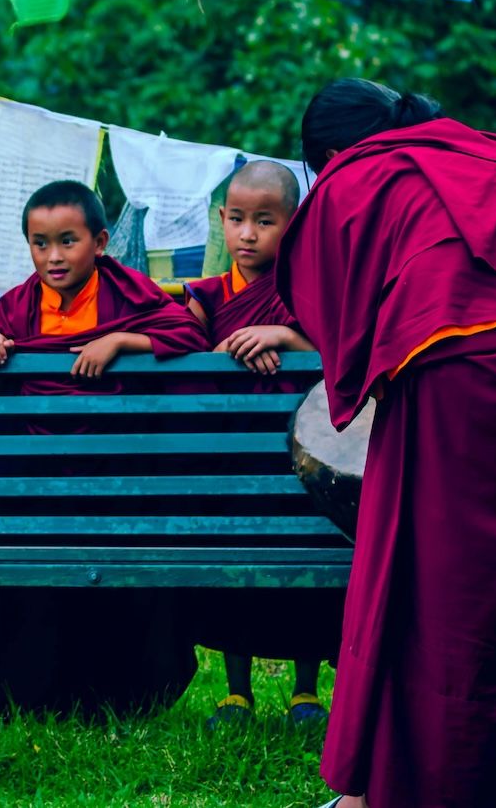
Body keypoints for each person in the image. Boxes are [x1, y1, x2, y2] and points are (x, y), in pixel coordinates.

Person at [275, 80, 496, 808]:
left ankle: (385, 788)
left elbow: (326, 295)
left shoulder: (358, 172)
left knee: (426, 574)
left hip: (449, 364)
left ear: (333, 153)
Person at [0, 180, 207, 719]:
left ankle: (121, 696)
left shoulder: (128, 292)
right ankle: (24, 695)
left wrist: (122, 341)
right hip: (35, 482)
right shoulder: (17, 303)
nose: (53, 257)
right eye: (40, 243)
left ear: (100, 242)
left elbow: (187, 337)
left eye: (68, 241)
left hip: (114, 478)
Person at [182, 159, 344, 730]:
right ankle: (236, 692)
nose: (247, 234)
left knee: (305, 566)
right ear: (221, 220)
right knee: (236, 567)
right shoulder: (203, 295)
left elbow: (339, 351)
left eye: (265, 221)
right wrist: (222, 353)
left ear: (294, 224)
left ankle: (305, 691)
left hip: (301, 461)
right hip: (230, 455)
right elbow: (181, 355)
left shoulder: (310, 291)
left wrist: (283, 335)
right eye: (236, 219)